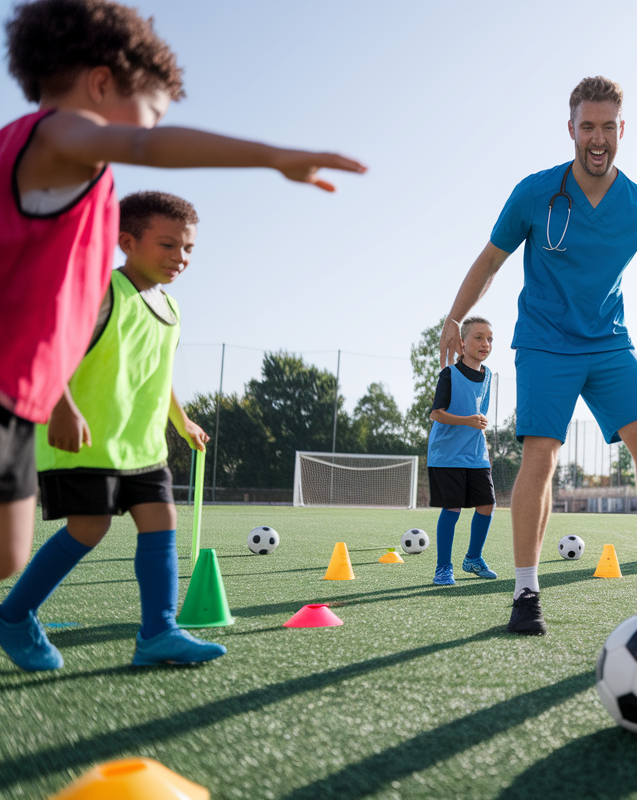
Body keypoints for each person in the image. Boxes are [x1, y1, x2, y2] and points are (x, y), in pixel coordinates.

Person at [0, 0, 366, 585]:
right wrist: (272, 157)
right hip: (9, 385)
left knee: (8, 556)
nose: (144, 134)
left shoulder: (54, 164)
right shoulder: (59, 134)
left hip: (21, 389)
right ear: (100, 84)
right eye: (148, 116)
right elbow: (148, 148)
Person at [439, 76, 637, 636]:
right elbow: (489, 262)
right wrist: (455, 317)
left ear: (621, 130)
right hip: (546, 341)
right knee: (542, 456)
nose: (597, 139)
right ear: (571, 129)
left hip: (608, 341)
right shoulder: (534, 193)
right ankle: (526, 591)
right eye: (587, 127)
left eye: (607, 127)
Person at [0, 191, 224, 671]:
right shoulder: (100, 292)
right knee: (88, 528)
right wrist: (61, 406)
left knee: (162, 520)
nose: (179, 258)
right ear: (126, 241)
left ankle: (158, 632)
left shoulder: (172, 307)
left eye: (187, 249)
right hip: (84, 440)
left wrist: (181, 420)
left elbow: (157, 374)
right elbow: (48, 348)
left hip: (142, 444)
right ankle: (14, 615)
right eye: (167, 245)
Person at [427, 317, 498, 585]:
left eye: (489, 338)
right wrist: (467, 420)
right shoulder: (449, 374)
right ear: (462, 342)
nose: (485, 343)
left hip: (476, 454)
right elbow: (436, 414)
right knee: (453, 507)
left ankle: (473, 559)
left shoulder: (488, 375)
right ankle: (443, 568)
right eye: (478, 337)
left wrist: (477, 425)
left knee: (487, 505)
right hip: (446, 455)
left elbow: (480, 410)